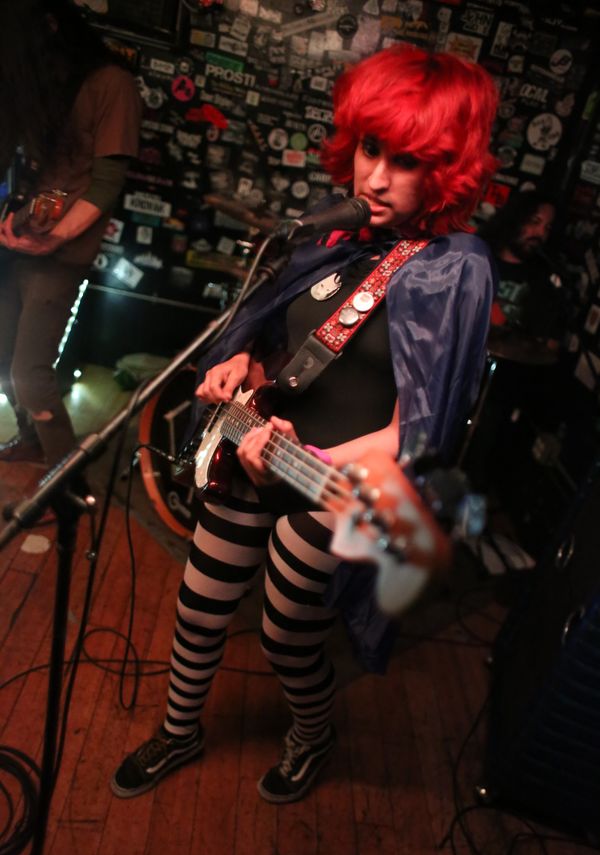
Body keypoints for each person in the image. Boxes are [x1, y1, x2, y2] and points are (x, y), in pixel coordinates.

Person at [111, 44, 498, 804]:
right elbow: (276, 332)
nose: (374, 178)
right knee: (200, 606)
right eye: (370, 148)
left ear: (446, 171)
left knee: (287, 634)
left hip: (333, 480)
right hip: (262, 446)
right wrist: (239, 360)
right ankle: (179, 730)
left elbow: (415, 434)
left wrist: (306, 453)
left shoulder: (455, 268)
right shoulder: (338, 231)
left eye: (406, 161)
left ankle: (313, 736)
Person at [0, 0, 141, 467]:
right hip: (17, 241)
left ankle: (65, 475)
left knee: (30, 373)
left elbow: (106, 184)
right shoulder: (39, 84)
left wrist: (52, 238)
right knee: (4, 359)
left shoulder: (112, 84)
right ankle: (32, 440)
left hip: (57, 254)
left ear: (51, 27)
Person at [478, 190, 565, 351]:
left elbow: (548, 345)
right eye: (535, 221)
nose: (541, 233)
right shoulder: (477, 259)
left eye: (547, 227)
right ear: (515, 220)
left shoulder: (545, 280)